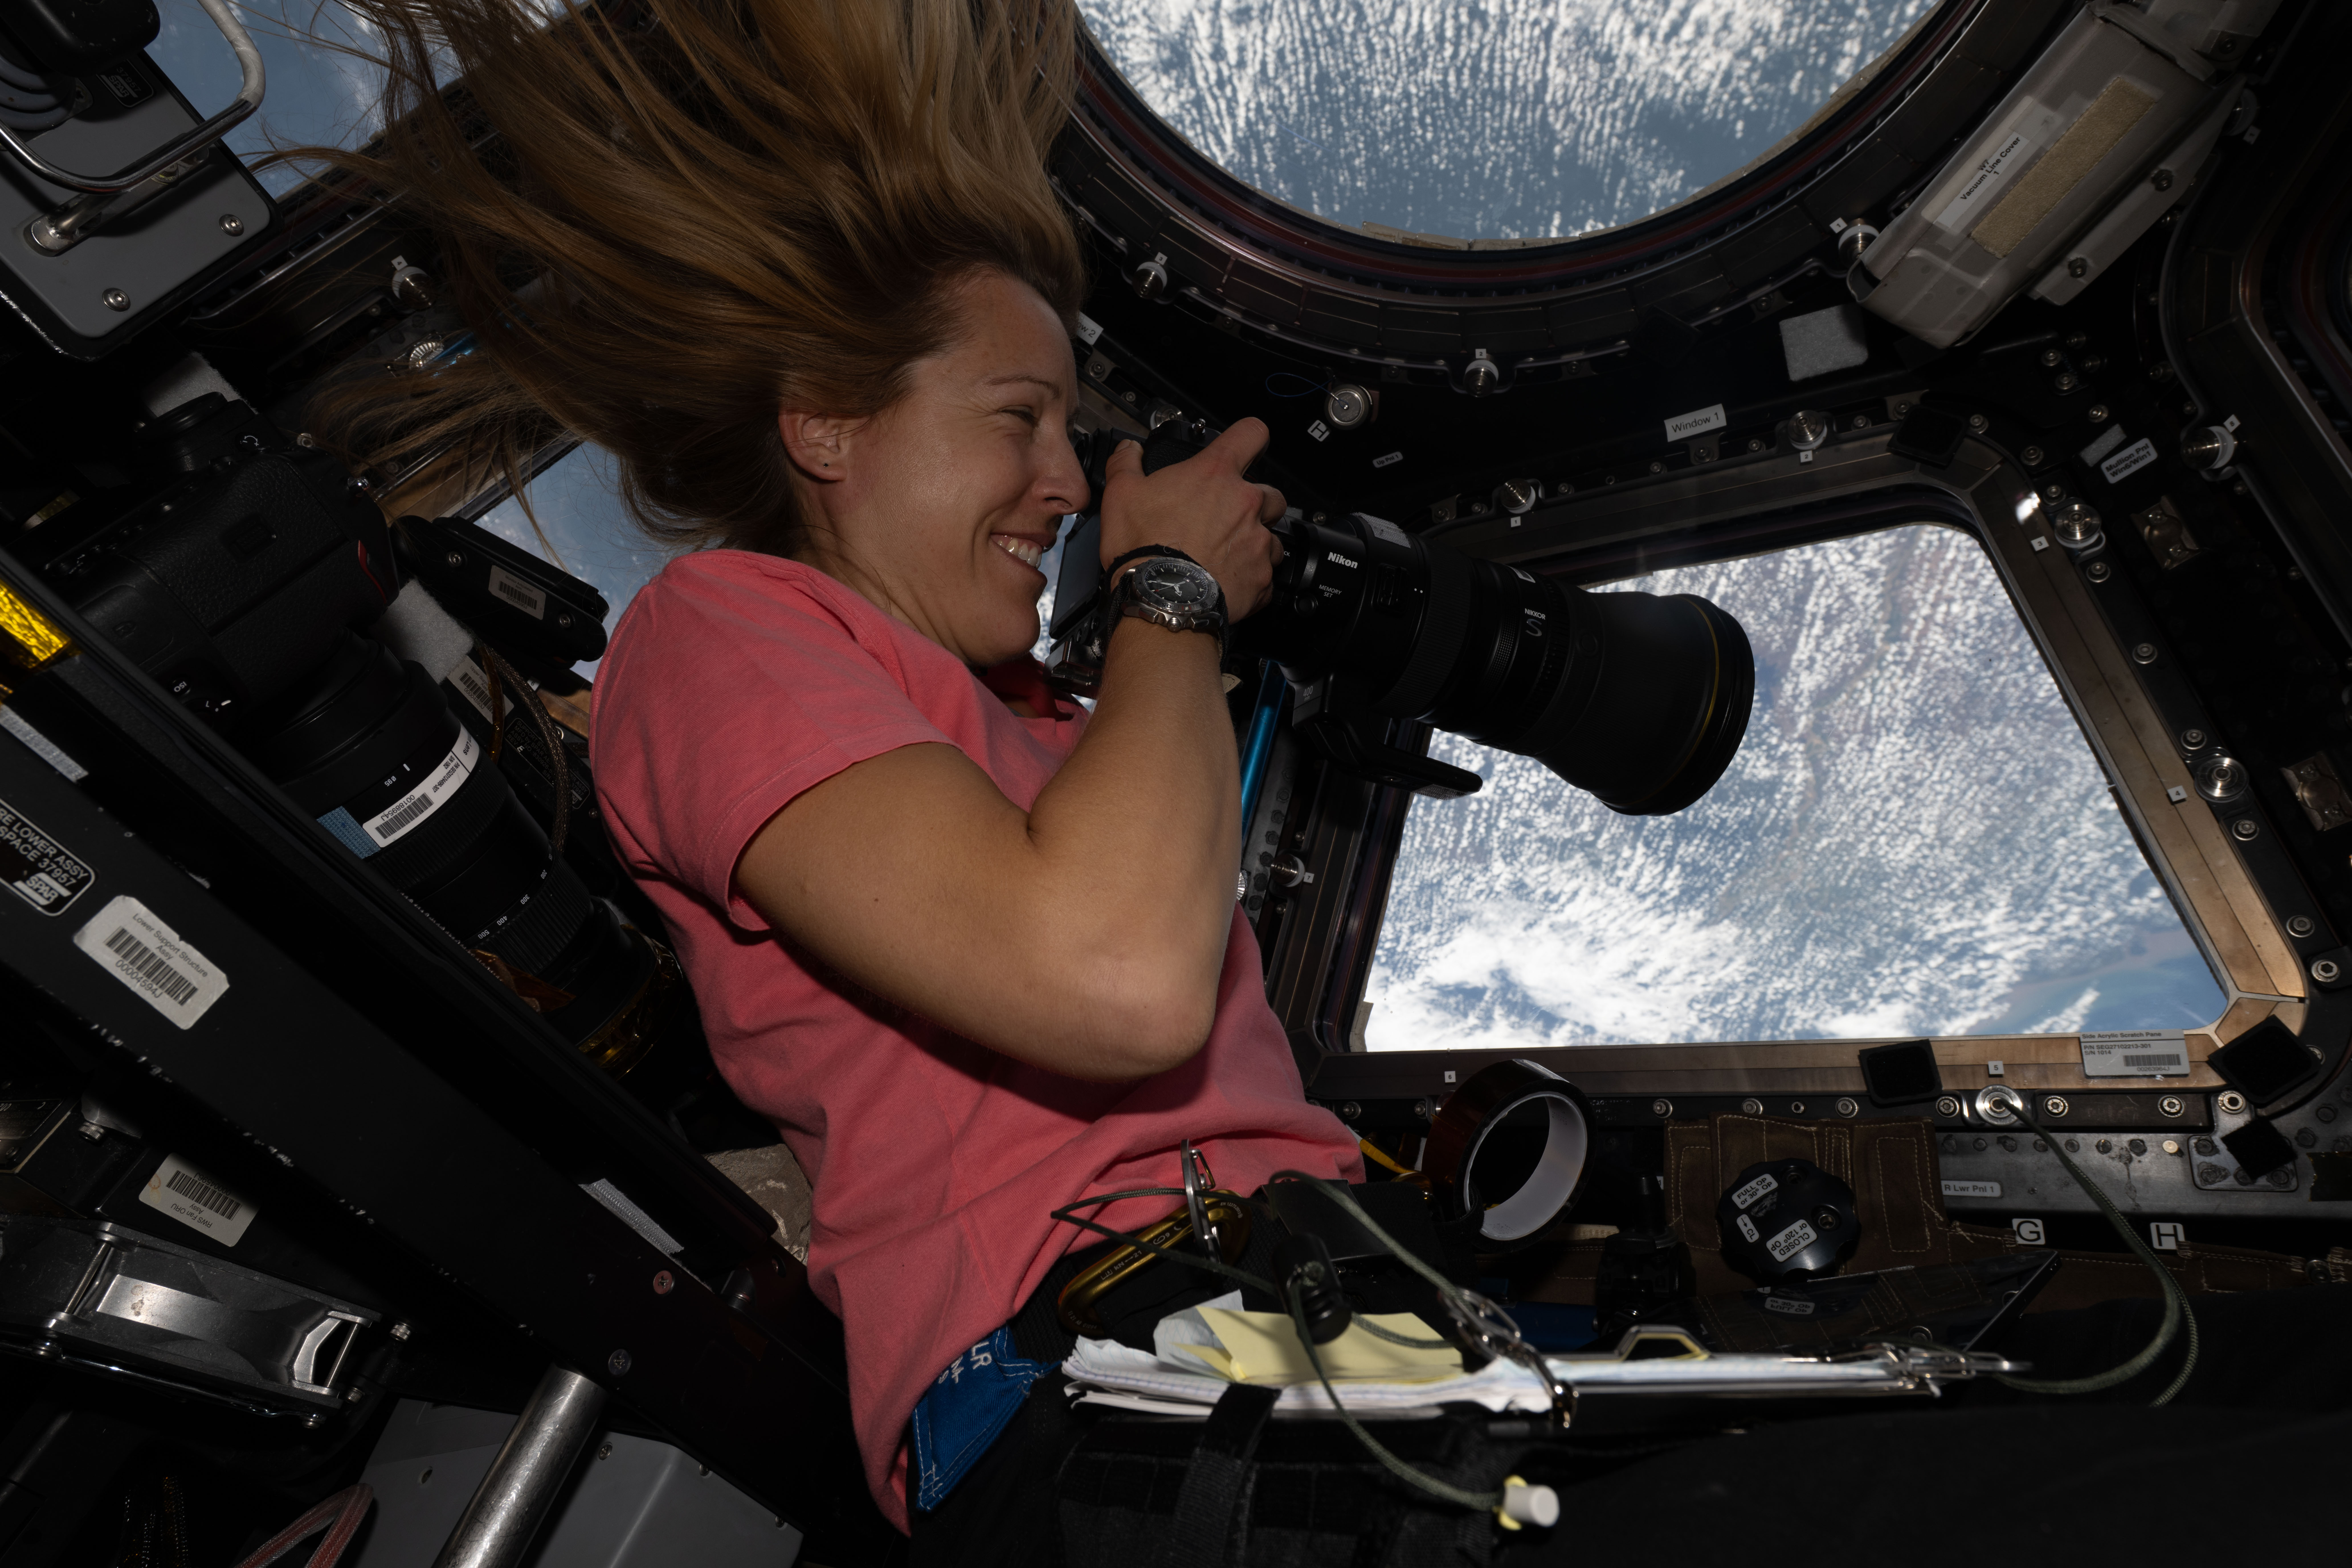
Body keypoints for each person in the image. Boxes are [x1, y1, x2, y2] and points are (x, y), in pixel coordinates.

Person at [307, 0, 1359, 1547]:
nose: (1070, 483)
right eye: (1022, 418)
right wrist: (1173, 599)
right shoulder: (730, 629)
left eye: (1072, 430)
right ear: (826, 424)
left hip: (1345, 1317)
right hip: (1117, 1378)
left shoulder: (1073, 735)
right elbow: (1114, 980)